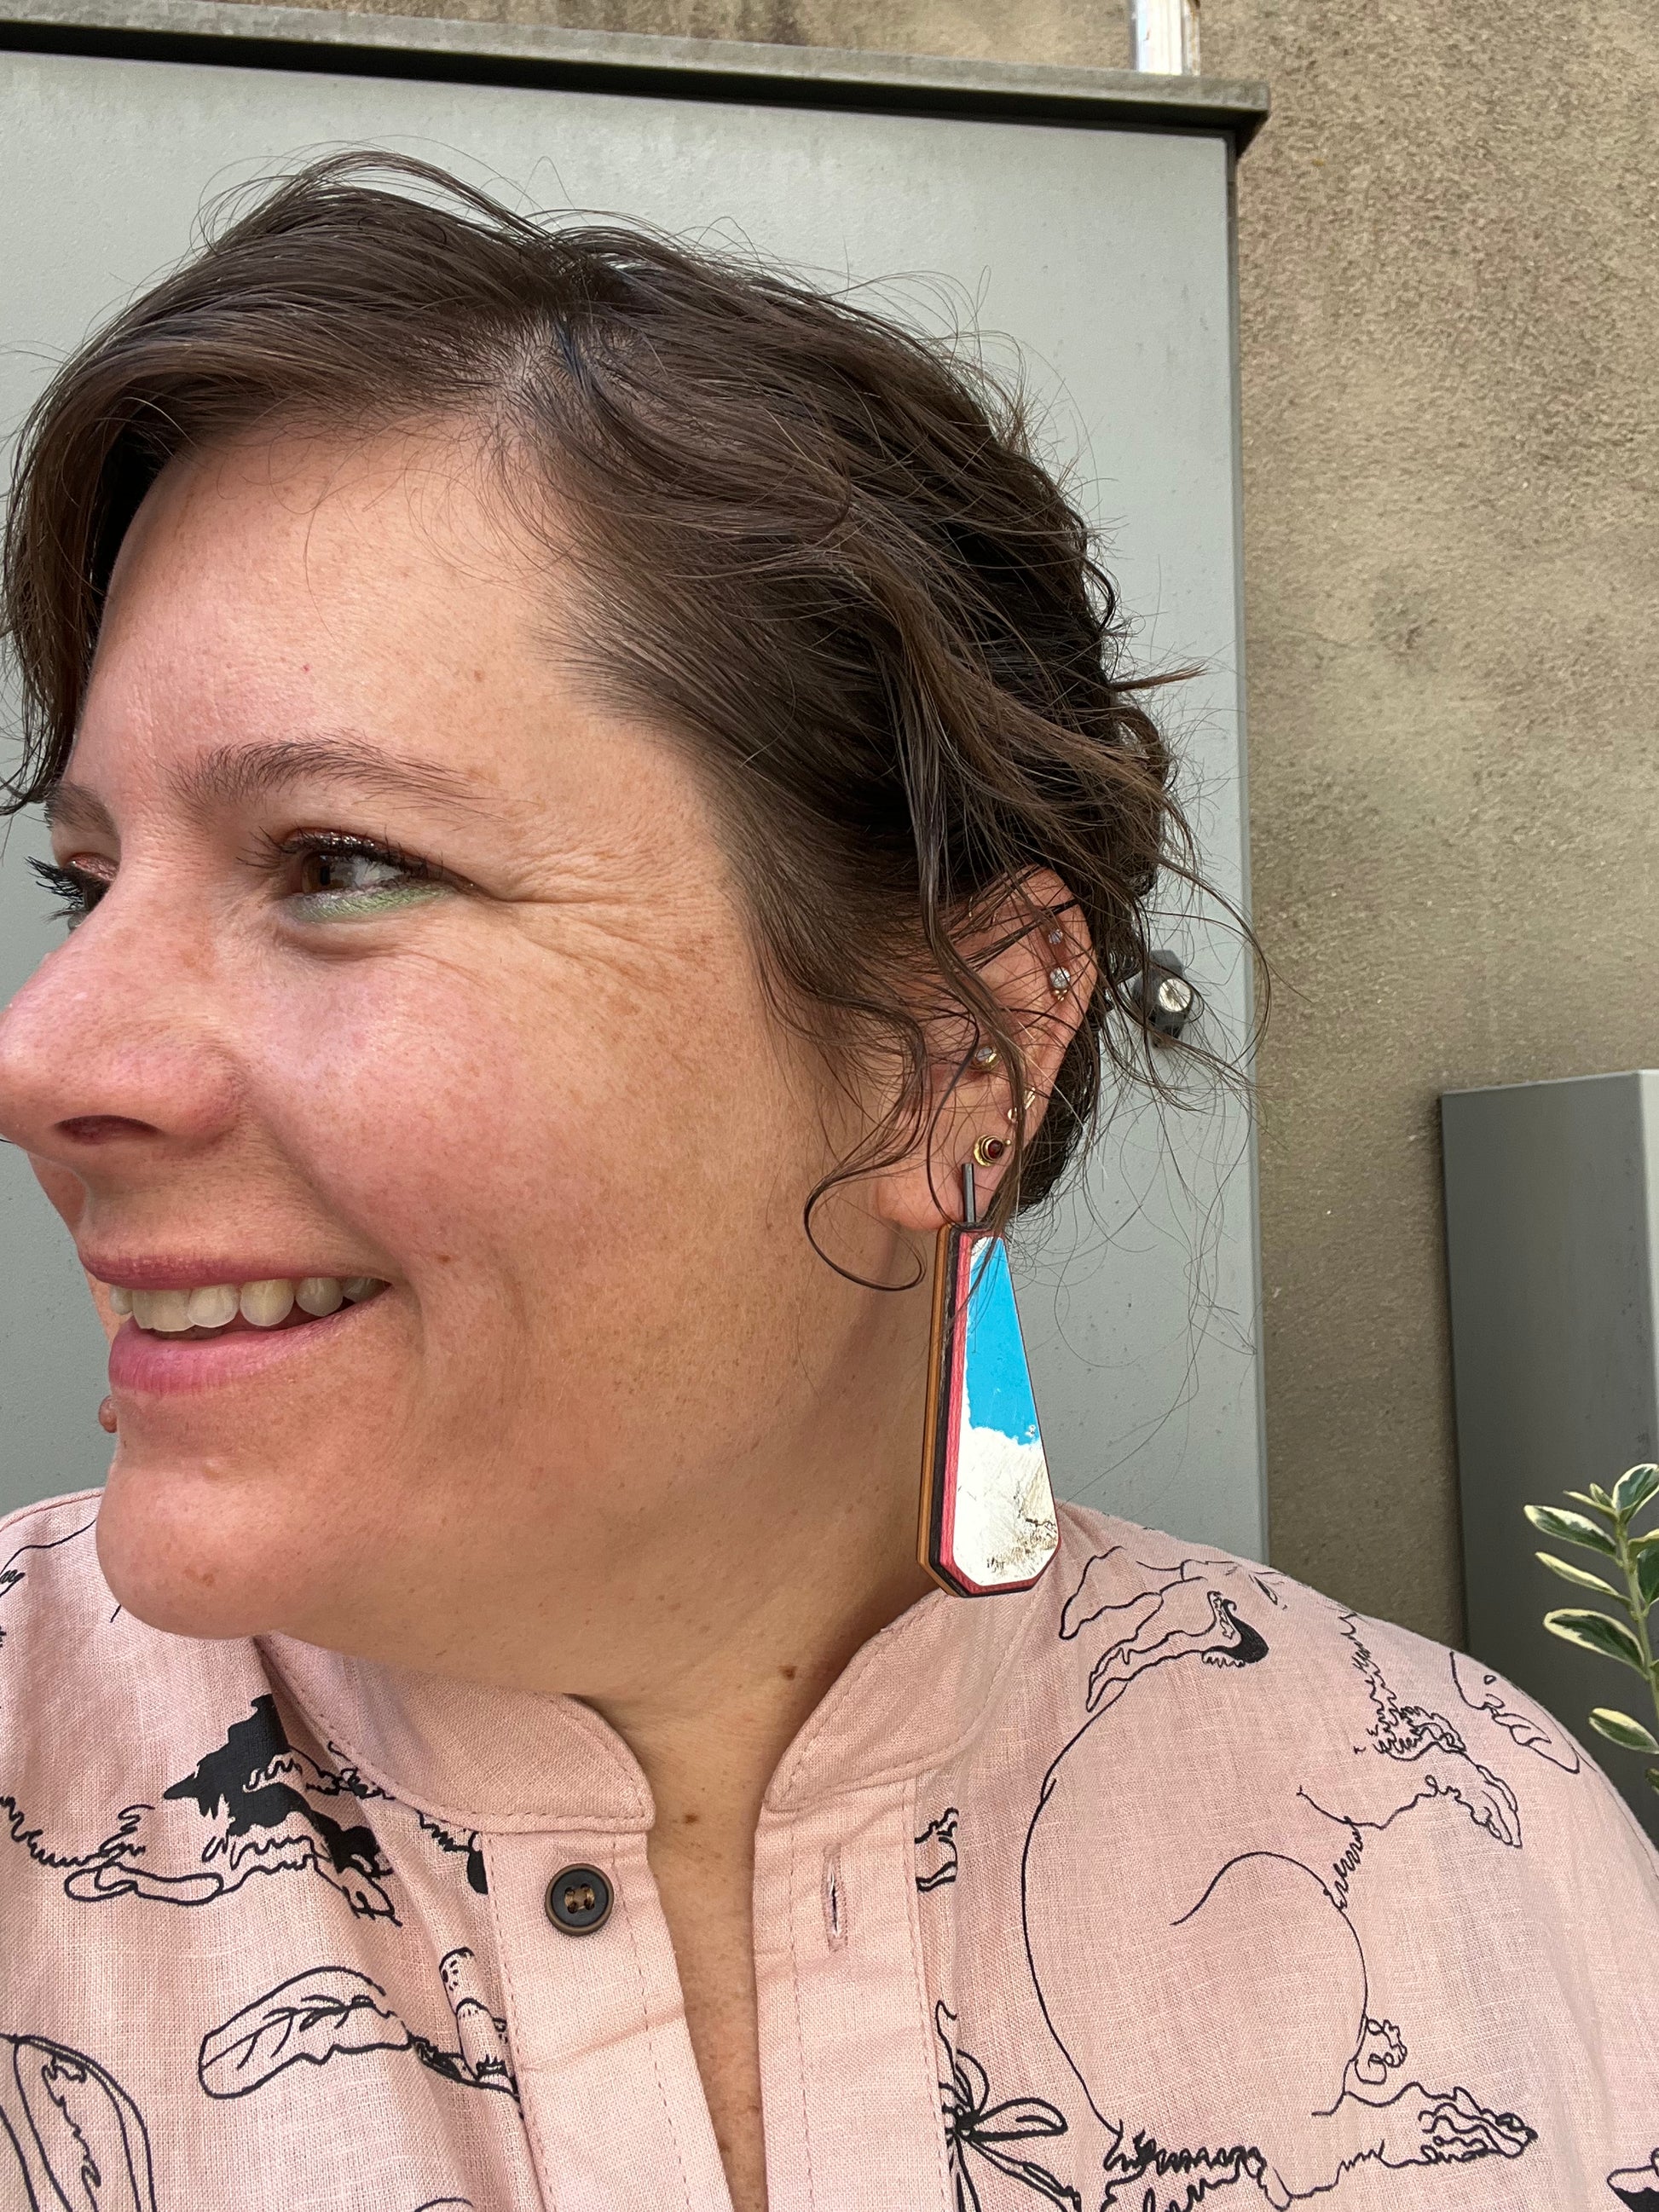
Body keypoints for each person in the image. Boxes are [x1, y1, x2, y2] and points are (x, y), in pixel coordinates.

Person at [0, 154, 1653, 2212]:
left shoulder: (1476, 1860)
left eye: (339, 862)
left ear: (954, 1049)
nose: (45, 1055)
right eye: (85, 881)